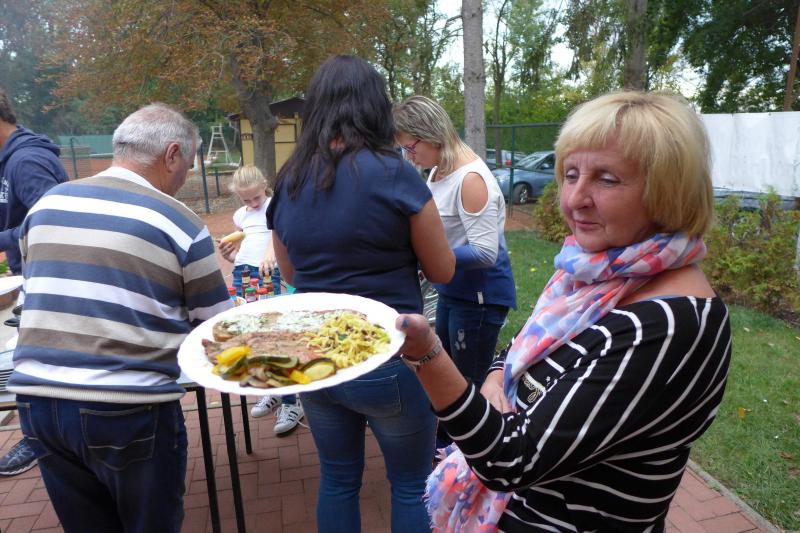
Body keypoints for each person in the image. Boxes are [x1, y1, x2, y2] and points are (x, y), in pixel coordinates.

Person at [394, 91, 732, 532]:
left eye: (606, 179)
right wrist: (495, 377)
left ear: (669, 191)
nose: (574, 199)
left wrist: (427, 356)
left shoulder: (671, 325)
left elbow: (511, 459)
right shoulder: (592, 274)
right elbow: (522, 347)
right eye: (570, 174)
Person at [6, 103, 232, 533]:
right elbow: (216, 330)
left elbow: (40, 293)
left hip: (38, 406)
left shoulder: (46, 205)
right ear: (171, 154)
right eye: (188, 165)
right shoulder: (180, 221)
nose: (185, 177)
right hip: (127, 407)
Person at [267, 55, 455, 533]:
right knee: (411, 484)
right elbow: (443, 269)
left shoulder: (289, 179)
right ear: (376, 107)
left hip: (316, 357)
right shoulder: (395, 173)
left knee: (337, 478)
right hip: (388, 354)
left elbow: (290, 271)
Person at [393, 95, 516, 447]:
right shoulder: (438, 170)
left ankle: (467, 457)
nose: (408, 156)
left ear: (430, 135)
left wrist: (428, 258)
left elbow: (485, 252)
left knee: (466, 385)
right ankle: (445, 445)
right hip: (453, 291)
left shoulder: (471, 180)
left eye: (410, 147)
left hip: (480, 299)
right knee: (443, 374)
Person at [0, 86, 69, 477]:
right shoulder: (10, 161)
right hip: (31, 276)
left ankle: (39, 438)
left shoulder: (27, 160)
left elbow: (55, 222)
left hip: (50, 279)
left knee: (35, 364)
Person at [217, 164, 304, 435]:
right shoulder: (240, 215)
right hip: (246, 276)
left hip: (272, 276)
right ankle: (272, 389)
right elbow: (247, 246)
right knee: (256, 338)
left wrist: (271, 253)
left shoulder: (275, 206)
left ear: (265, 185)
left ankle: (292, 401)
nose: (253, 204)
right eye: (246, 199)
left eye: (256, 197)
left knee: (278, 338)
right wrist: (232, 257)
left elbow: (281, 236)